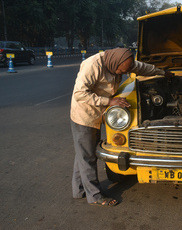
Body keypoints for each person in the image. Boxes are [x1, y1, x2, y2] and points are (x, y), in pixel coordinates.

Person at [70, 48, 171, 206]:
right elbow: (79, 94)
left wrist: (162, 72)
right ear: (114, 63)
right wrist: (109, 102)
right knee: (87, 156)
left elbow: (142, 68)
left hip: (98, 113)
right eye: (120, 71)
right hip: (85, 114)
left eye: (125, 71)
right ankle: (95, 196)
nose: (122, 74)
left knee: (83, 152)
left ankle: (79, 190)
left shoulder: (123, 62)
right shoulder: (93, 65)